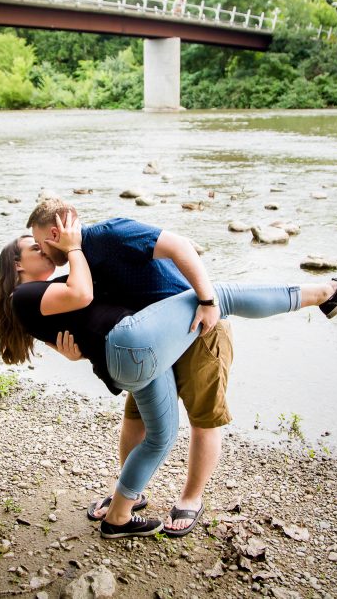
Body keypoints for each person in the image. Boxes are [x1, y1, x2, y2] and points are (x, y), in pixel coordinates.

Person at [0, 213, 337, 539]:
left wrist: (69, 351)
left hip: (134, 358)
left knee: (161, 436)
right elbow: (81, 295)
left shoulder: (56, 281)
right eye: (35, 248)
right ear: (17, 266)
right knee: (220, 295)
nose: (45, 250)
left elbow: (77, 319)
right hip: (133, 343)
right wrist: (74, 248)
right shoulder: (26, 295)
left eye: (43, 244)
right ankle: (326, 292)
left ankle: (120, 515)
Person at [31, 198, 231, 537]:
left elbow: (181, 246)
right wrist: (78, 354)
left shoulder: (112, 233)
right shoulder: (79, 265)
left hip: (198, 327)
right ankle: (130, 494)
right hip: (151, 345)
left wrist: (209, 301)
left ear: (54, 233)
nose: (41, 252)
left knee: (203, 417)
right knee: (135, 416)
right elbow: (98, 320)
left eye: (39, 244)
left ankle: (191, 498)